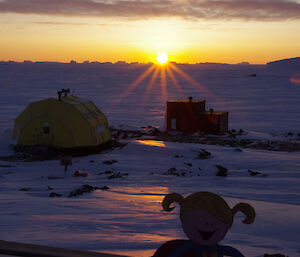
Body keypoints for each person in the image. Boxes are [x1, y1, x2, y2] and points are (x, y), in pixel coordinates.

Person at [153, 192, 256, 257]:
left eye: (217, 220)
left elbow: (233, 252)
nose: (208, 224)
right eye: (199, 219)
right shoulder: (188, 247)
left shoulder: (217, 249)